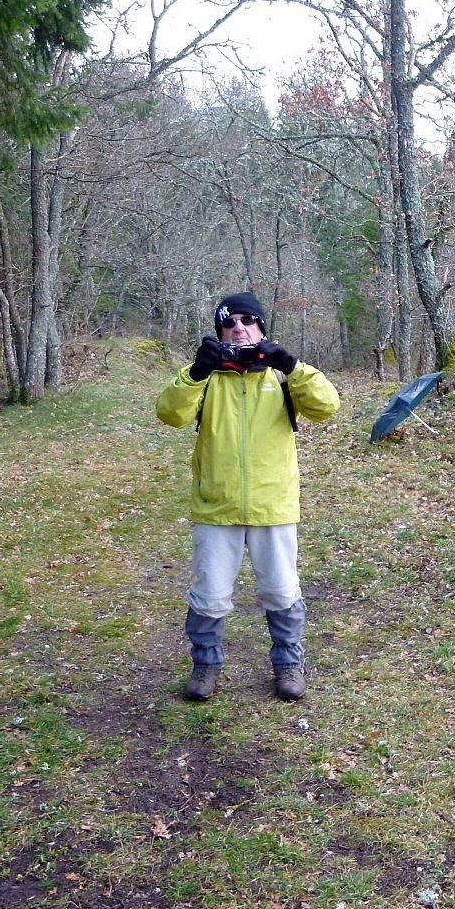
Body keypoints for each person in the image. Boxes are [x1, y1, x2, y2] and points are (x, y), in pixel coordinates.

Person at [156, 292, 340, 701]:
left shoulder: (281, 376)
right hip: (216, 505)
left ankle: (288, 664)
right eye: (229, 322)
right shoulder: (205, 375)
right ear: (219, 330)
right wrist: (196, 373)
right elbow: (170, 413)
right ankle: (205, 666)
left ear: (261, 327)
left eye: (248, 320)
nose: (239, 328)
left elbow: (327, 406)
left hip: (272, 506)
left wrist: (291, 365)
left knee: (281, 591)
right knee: (209, 595)